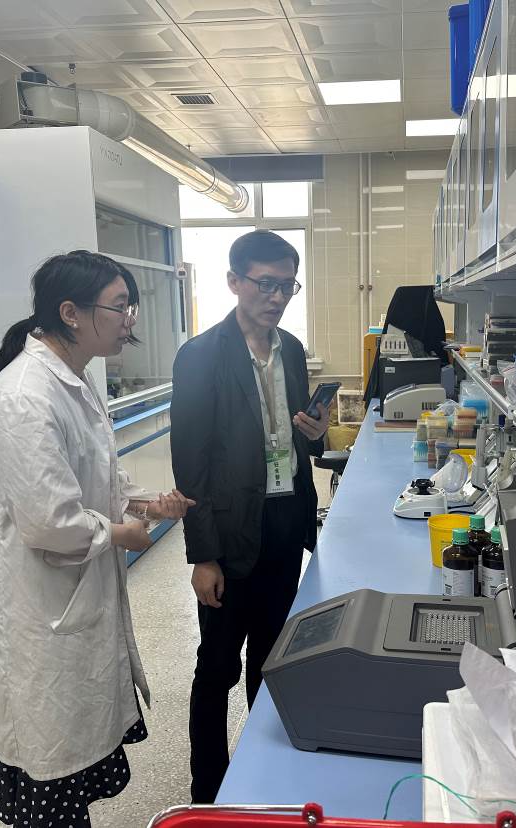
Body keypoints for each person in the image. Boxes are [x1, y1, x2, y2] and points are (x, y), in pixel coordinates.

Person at [0, 250, 194, 826]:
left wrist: (143, 502)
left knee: (74, 751)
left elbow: (96, 476)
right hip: (45, 608)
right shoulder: (24, 397)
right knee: (50, 760)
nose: (129, 319)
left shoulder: (74, 379)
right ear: (70, 313)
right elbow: (49, 521)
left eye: (130, 306)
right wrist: (124, 533)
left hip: (76, 597)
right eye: (119, 306)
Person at [171, 230, 331, 803]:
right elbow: (190, 465)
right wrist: (203, 556)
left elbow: (299, 439)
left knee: (272, 660)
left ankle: (266, 778)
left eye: (288, 285)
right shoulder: (201, 356)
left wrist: (316, 434)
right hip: (230, 530)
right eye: (266, 284)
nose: (277, 297)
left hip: (285, 524)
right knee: (217, 667)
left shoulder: (291, 349)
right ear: (234, 282)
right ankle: (208, 793)